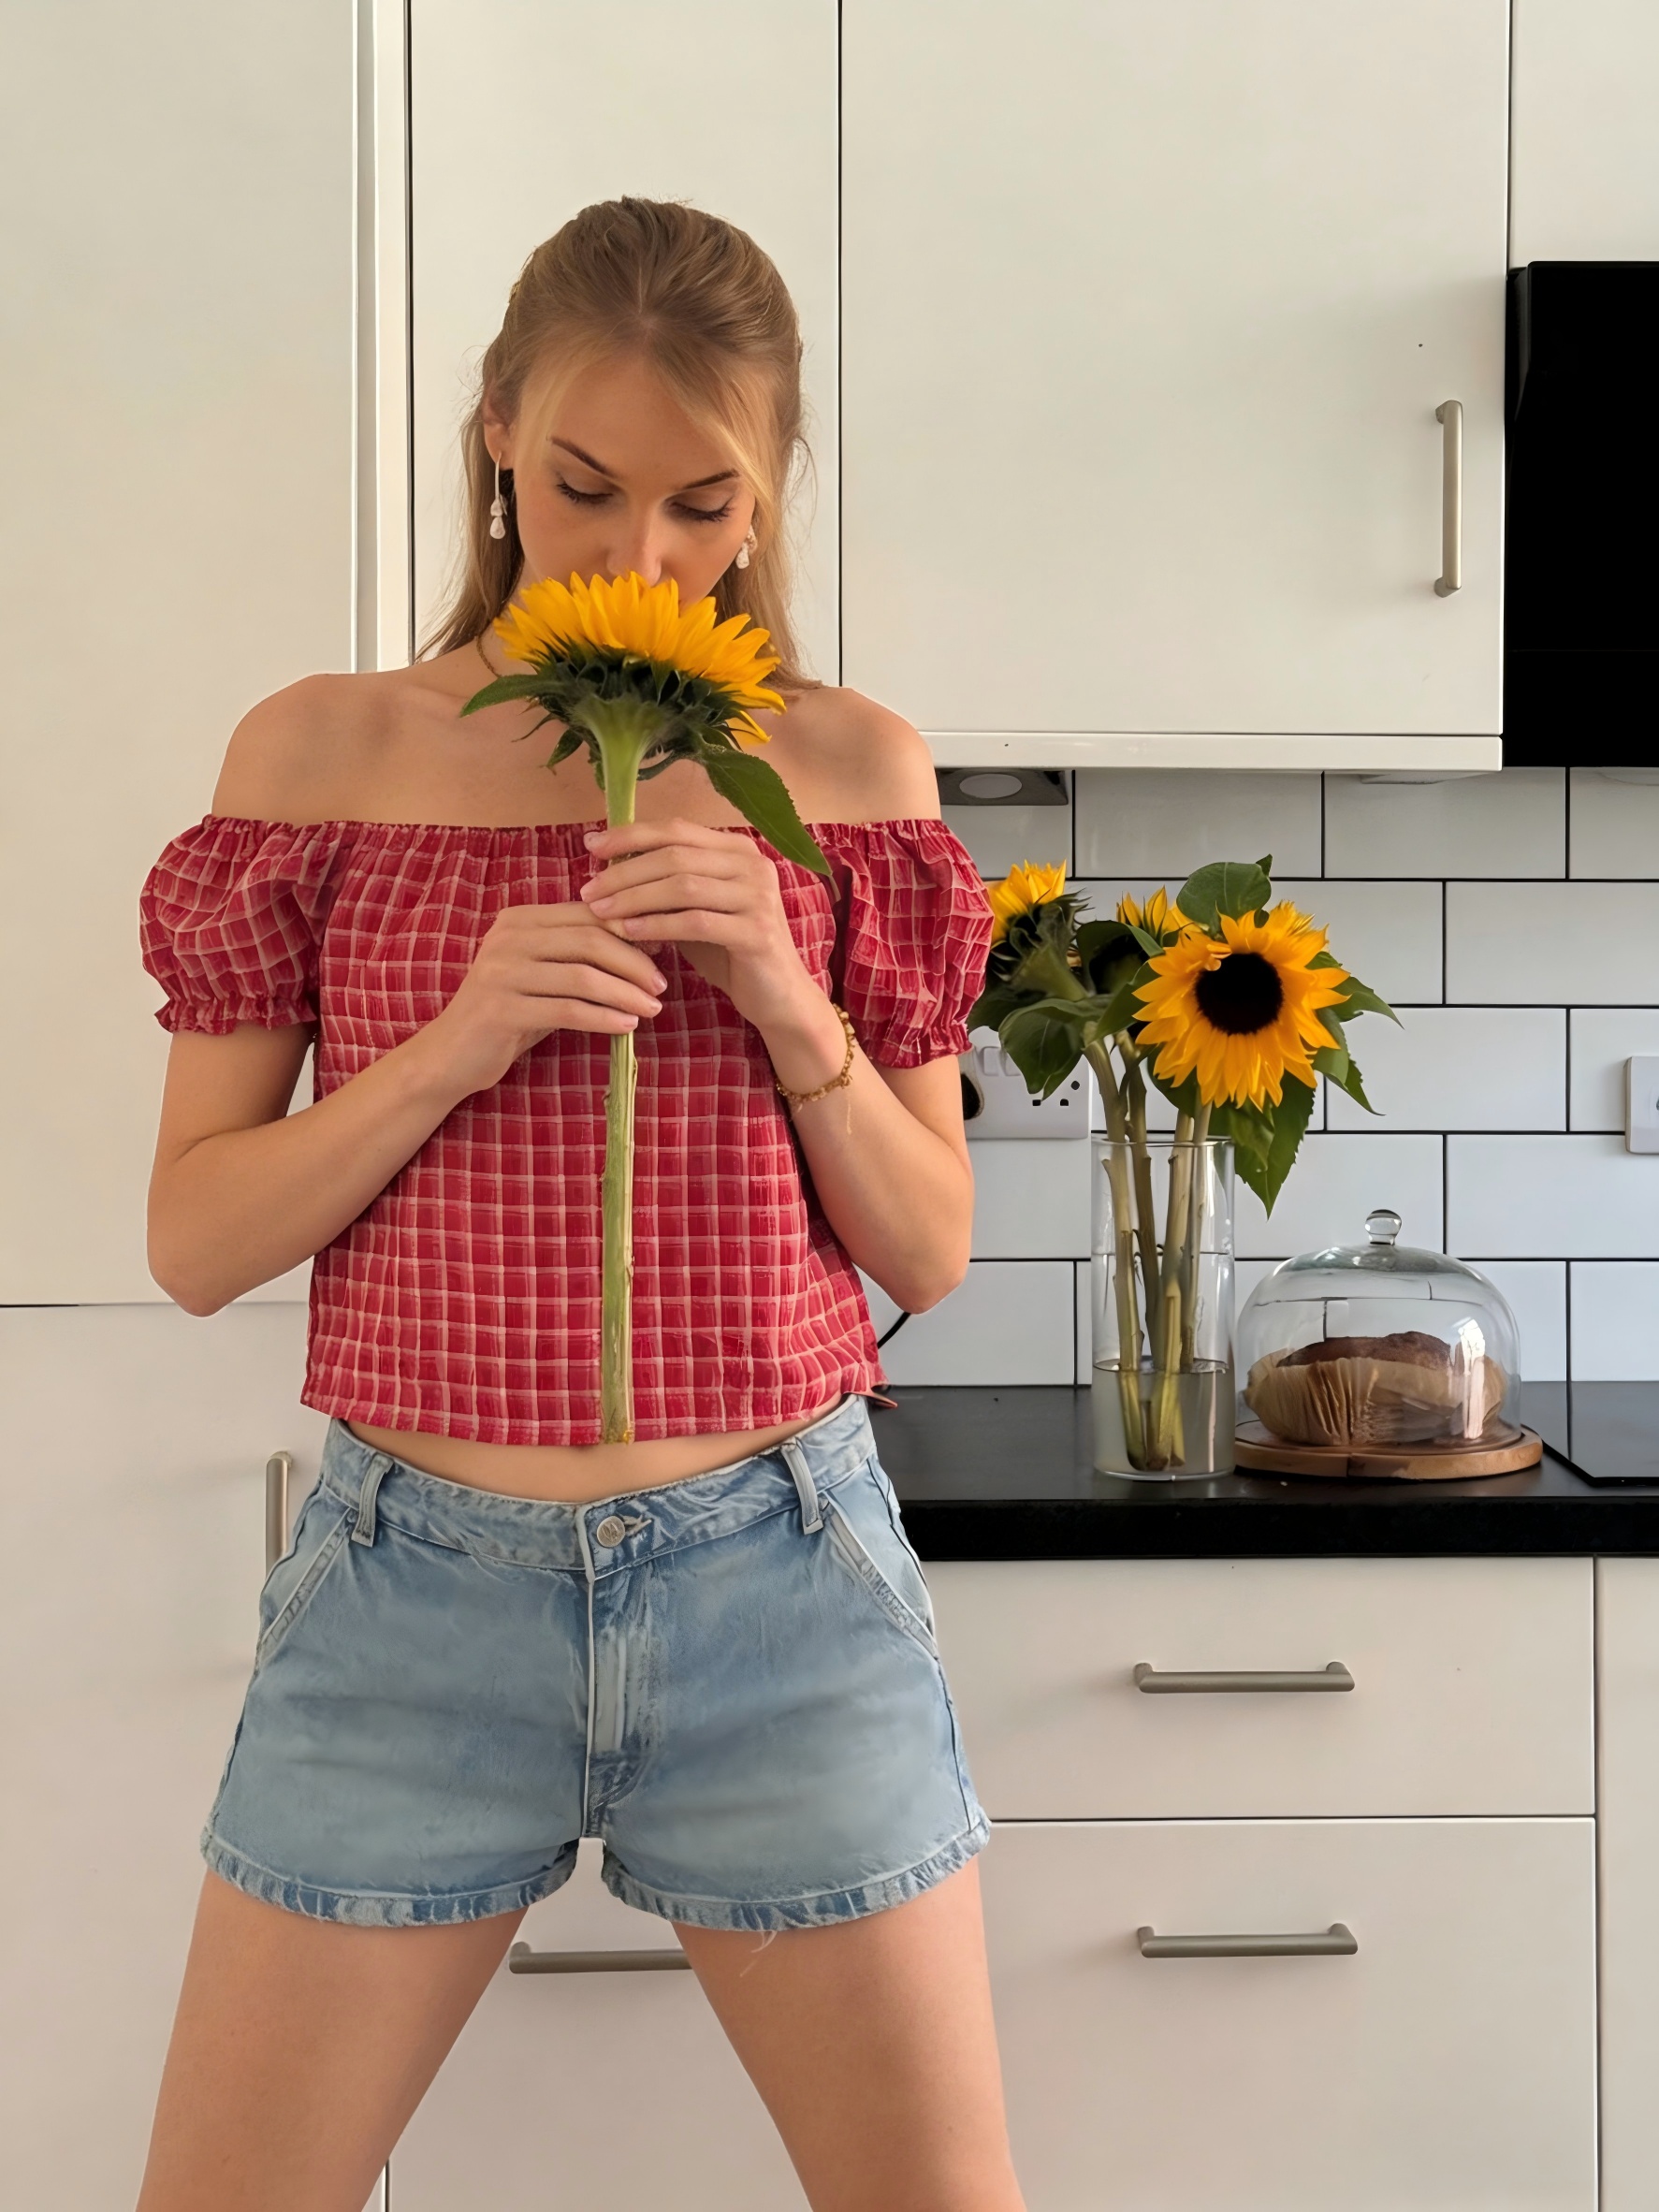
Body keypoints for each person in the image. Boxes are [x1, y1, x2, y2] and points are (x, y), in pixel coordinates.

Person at [134, 197, 1021, 2212]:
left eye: (704, 507)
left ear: (771, 489)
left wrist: (784, 996)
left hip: (782, 1585)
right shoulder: (324, 754)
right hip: (405, 1597)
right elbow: (194, 1246)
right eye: (580, 489)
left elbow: (926, 1249)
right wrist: (447, 1046)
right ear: (492, 445)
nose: (636, 563)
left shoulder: (852, 774)